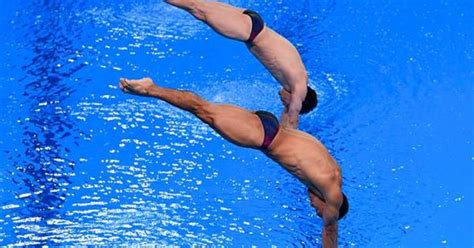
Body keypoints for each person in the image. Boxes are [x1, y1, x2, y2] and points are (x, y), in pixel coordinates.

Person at [119, 77, 348, 247]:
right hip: (262, 137)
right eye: (319, 211)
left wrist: (290, 107)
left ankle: (152, 88)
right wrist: (329, 218)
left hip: (270, 125)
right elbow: (329, 231)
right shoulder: (332, 195)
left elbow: (292, 133)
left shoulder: (332, 170)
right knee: (203, 110)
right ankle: (150, 89)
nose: (314, 209)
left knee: (205, 108)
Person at [164, 0, 318, 128]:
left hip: (252, 23)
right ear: (298, 99)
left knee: (197, 5)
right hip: (248, 30)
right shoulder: (299, 85)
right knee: (196, 8)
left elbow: (288, 113)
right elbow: (292, 115)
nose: (282, 102)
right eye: (285, 103)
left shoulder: (296, 77)